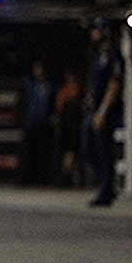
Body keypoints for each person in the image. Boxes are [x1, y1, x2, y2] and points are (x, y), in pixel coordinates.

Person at [83, 23, 122, 206]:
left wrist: (103, 111)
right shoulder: (96, 56)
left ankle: (107, 189)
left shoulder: (114, 56)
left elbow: (114, 84)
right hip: (95, 109)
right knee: (89, 147)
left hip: (107, 111)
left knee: (104, 150)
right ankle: (106, 184)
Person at [21, 61, 54, 185]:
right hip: (31, 122)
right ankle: (27, 178)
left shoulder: (48, 86)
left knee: (42, 152)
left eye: (40, 69)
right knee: (29, 151)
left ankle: (42, 179)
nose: (38, 71)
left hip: (43, 123)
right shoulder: (30, 86)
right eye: (36, 69)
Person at [54, 68, 84, 186]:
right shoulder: (64, 92)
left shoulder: (79, 90)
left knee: (73, 154)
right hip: (67, 126)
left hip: (75, 127)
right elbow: (59, 108)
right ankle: (66, 177)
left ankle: (73, 178)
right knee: (69, 154)